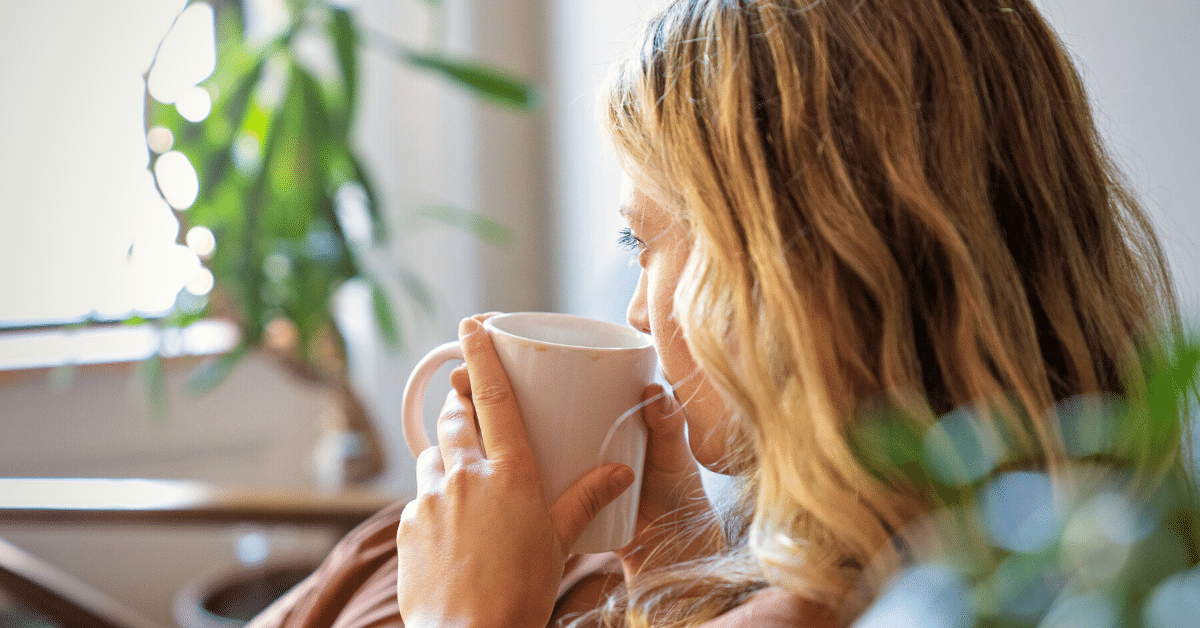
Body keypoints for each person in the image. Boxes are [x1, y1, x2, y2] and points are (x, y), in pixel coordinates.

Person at [248, 0, 1194, 626]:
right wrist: (678, 571)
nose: (637, 310)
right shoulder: (1081, 542)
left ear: (799, 267)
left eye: (644, 241)